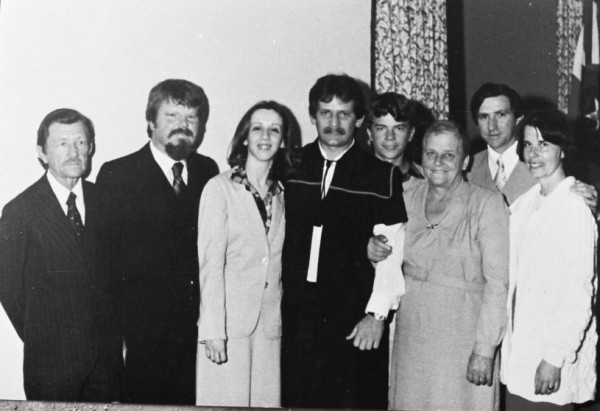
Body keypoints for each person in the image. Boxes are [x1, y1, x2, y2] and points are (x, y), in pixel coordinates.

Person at [281, 74, 407, 409]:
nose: (334, 123)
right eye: (326, 113)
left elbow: (391, 252)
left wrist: (376, 315)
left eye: (344, 114)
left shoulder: (381, 176)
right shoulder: (291, 166)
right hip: (295, 312)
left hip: (353, 316)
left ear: (359, 119)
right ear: (313, 116)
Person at [370, 120, 509, 410]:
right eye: (431, 153)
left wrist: (485, 350)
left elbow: (498, 284)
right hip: (412, 334)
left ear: (465, 161)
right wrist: (373, 250)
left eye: (448, 155)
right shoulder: (407, 196)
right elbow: (388, 260)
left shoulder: (486, 204)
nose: (438, 162)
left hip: (463, 334)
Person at [96, 79, 219, 405]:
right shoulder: (118, 175)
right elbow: (104, 264)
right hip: (141, 340)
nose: (183, 125)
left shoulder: (208, 171)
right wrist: (117, 338)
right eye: (172, 116)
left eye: (191, 117)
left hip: (194, 335)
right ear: (151, 122)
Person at [0, 108, 121, 401]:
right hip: (51, 366)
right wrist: (45, 336)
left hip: (106, 364)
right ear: (42, 152)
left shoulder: (106, 201)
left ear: (91, 147)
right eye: (62, 143)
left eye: (80, 142)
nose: (73, 152)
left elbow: (116, 278)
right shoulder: (20, 211)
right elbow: (9, 289)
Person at [195, 101, 291, 407]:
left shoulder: (283, 194)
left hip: (269, 326)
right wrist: (213, 329)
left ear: (283, 140)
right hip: (228, 326)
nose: (265, 136)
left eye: (274, 130)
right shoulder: (219, 188)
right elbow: (210, 265)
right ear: (245, 137)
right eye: (257, 128)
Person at [501, 109, 597, 410]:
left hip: (550, 359)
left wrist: (555, 357)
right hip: (521, 352)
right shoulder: (525, 204)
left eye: (544, 144)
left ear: (562, 149)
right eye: (528, 145)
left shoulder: (574, 207)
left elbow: (579, 292)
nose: (534, 154)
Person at [468, 82, 598, 208]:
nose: (492, 126)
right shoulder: (467, 167)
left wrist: (593, 209)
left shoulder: (543, 162)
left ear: (518, 119)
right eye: (484, 117)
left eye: (500, 115)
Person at [366, 91, 433, 190]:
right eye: (381, 128)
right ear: (370, 134)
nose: (390, 137)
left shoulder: (429, 182)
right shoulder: (352, 180)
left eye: (399, 128)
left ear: (411, 134)